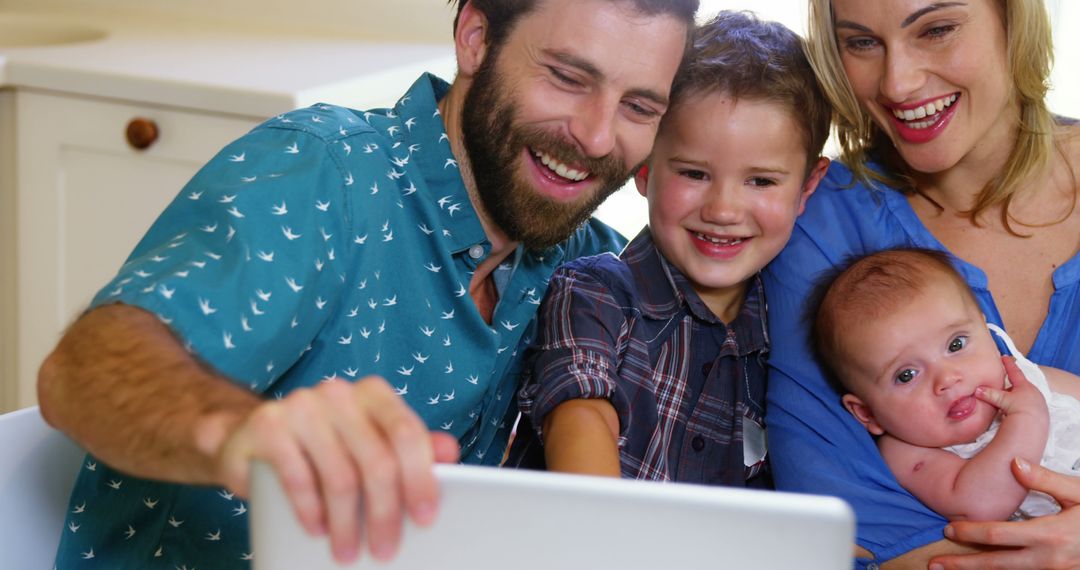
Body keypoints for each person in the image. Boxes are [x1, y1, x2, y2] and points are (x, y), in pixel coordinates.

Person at [34, 0, 698, 567]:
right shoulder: (323, 173)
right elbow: (82, 370)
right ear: (475, 37)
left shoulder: (585, 268)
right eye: (566, 77)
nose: (596, 135)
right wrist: (241, 433)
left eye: (639, 106)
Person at [762, 0, 1080, 567]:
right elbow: (848, 524)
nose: (898, 83)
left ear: (1014, 18)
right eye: (861, 42)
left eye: (936, 29)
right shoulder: (813, 221)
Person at [506, 10, 830, 485]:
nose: (723, 209)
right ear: (644, 167)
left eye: (761, 180)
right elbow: (581, 419)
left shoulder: (791, 340)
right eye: (694, 173)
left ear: (806, 188)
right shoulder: (595, 294)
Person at [811, 248, 1080, 522]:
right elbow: (981, 504)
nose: (947, 379)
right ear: (867, 412)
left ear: (985, 330)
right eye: (906, 375)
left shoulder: (1026, 380)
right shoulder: (910, 453)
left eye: (956, 345)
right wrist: (1027, 419)